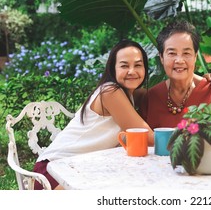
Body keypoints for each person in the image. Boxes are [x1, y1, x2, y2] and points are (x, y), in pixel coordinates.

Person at [33, 40, 154, 190]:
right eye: (124, 65)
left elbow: (159, 93)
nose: (132, 71)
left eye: (138, 65)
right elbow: (147, 137)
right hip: (55, 173)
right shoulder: (110, 93)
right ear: (112, 69)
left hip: (82, 170)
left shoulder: (129, 93)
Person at [138, 20, 211, 154]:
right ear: (161, 57)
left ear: (195, 56)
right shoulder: (151, 97)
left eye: (186, 53)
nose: (179, 60)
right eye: (171, 53)